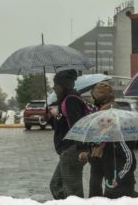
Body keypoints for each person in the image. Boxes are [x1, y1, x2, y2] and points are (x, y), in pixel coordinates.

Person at [89, 82, 138, 199]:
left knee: (111, 192)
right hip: (104, 158)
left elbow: (128, 159)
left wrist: (118, 177)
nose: (102, 123)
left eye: (97, 94)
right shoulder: (102, 108)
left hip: (113, 164)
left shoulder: (109, 109)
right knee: (99, 187)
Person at [49, 69, 90, 199]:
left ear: (63, 86)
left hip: (73, 150)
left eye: (56, 85)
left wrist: (82, 149)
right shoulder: (65, 101)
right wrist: (51, 119)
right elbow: (62, 127)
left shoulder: (71, 101)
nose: (53, 87)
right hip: (67, 150)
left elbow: (78, 126)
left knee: (72, 192)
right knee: (56, 185)